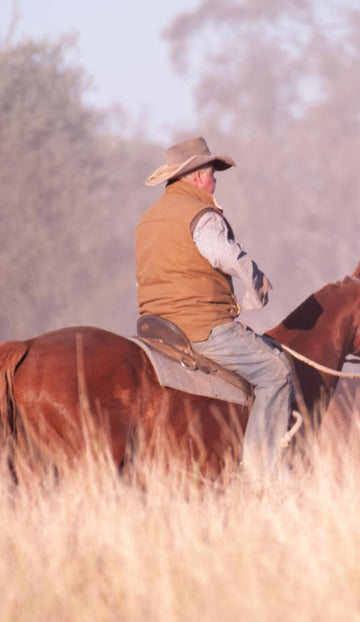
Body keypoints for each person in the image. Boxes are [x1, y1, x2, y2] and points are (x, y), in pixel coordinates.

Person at [135, 136, 294, 478]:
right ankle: (259, 476)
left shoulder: (147, 220)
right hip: (201, 326)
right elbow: (227, 257)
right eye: (212, 174)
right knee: (276, 371)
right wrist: (255, 291)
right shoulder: (202, 215)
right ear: (196, 178)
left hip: (155, 325)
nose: (215, 181)